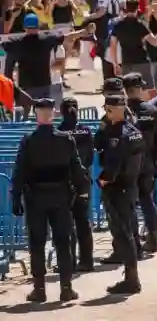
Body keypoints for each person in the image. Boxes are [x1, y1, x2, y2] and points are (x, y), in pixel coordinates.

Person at [13, 97, 89, 303]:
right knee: (63, 241)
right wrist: (82, 190)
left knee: (37, 243)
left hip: (35, 197)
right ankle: (66, 288)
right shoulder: (66, 139)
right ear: (54, 112)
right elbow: (76, 169)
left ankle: (39, 289)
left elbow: (19, 171)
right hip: (60, 197)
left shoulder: (29, 140)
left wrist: (15, 197)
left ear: (36, 114)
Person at [96, 93, 145, 295]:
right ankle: (131, 276)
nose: (106, 114)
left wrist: (104, 179)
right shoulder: (134, 131)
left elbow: (113, 164)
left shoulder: (118, 134)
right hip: (130, 185)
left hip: (118, 188)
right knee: (128, 232)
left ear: (118, 110)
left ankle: (131, 279)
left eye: (108, 110)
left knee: (123, 234)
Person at [4, 14, 91, 102]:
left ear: (24, 27)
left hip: (25, 88)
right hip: (44, 86)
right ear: (38, 26)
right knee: (44, 112)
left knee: (24, 113)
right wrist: (82, 32)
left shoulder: (17, 43)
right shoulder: (46, 40)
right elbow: (67, 37)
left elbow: (8, 68)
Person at [123, 72, 157, 255]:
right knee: (147, 199)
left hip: (128, 164)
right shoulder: (152, 111)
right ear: (139, 89)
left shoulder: (120, 112)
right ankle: (153, 237)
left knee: (128, 203)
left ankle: (133, 242)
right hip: (147, 162)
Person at [57, 98, 94, 273]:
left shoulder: (59, 132)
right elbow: (91, 158)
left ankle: (68, 262)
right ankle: (87, 261)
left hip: (65, 182)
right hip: (83, 180)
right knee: (83, 222)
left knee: (66, 223)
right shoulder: (85, 131)